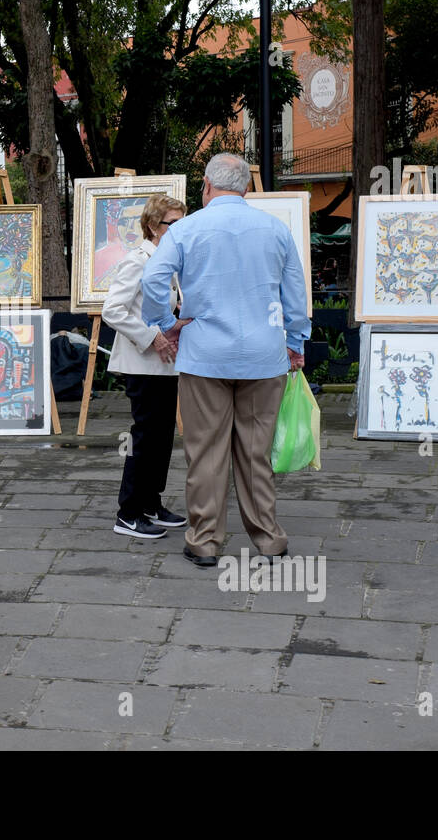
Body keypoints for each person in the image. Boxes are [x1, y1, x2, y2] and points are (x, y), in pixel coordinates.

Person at [142, 153, 310, 568]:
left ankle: (204, 540)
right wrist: (297, 341)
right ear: (247, 187)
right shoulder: (275, 229)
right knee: (256, 452)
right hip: (264, 354)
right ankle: (269, 539)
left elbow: (152, 278)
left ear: (206, 185)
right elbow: (295, 292)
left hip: (204, 356)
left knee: (205, 451)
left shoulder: (186, 229)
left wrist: (167, 322)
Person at [102, 193, 188, 539]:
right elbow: (113, 310)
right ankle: (128, 512)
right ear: (154, 226)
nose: (181, 229)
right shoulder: (137, 261)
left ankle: (152, 502)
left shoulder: (172, 261)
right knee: (144, 436)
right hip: (142, 362)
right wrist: (152, 337)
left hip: (166, 362)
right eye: (174, 223)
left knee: (162, 435)